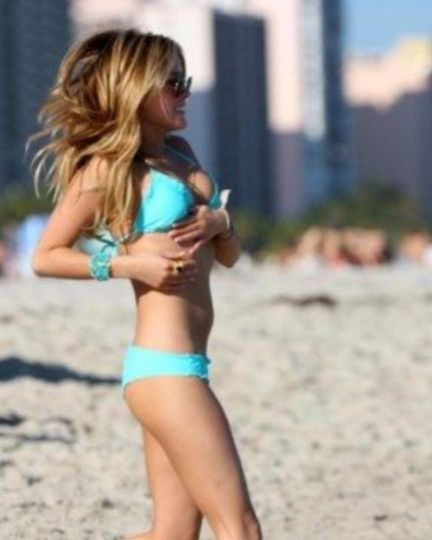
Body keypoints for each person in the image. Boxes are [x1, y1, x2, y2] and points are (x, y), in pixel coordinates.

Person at [30, 29, 262, 540]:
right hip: (163, 371)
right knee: (241, 527)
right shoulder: (107, 168)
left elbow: (229, 257)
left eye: (186, 81)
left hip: (187, 365)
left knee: (172, 534)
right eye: (173, 83)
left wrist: (220, 223)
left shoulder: (181, 153)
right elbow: (45, 257)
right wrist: (127, 266)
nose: (184, 93)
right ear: (135, 89)